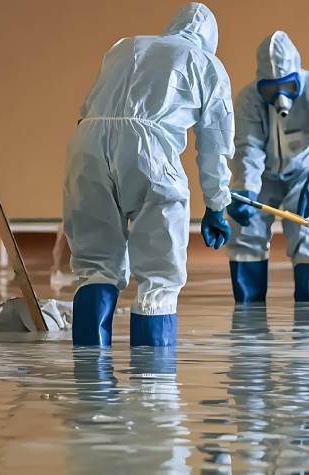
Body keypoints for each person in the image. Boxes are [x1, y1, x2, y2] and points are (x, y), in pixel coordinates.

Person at [64, 3, 234, 347]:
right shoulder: (206, 64)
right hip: (148, 150)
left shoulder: (126, 46)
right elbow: (214, 144)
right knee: (159, 276)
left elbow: (91, 105)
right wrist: (217, 204)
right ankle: (152, 389)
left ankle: (88, 386)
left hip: (86, 146)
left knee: (95, 266)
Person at [226, 31, 309, 304]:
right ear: (260, 85)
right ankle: (248, 321)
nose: (279, 96)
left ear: (297, 77)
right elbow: (247, 147)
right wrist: (245, 189)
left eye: (287, 86)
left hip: (306, 174)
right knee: (246, 233)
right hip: (262, 178)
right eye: (270, 89)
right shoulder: (248, 99)